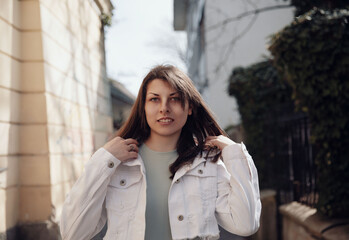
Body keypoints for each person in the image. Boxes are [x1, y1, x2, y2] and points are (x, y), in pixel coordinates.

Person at [60, 65, 261, 240]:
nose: (164, 108)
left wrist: (235, 154)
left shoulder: (207, 164)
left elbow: (245, 225)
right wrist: (102, 160)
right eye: (154, 99)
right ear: (143, 107)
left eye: (174, 99)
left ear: (189, 107)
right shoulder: (117, 164)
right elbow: (72, 233)